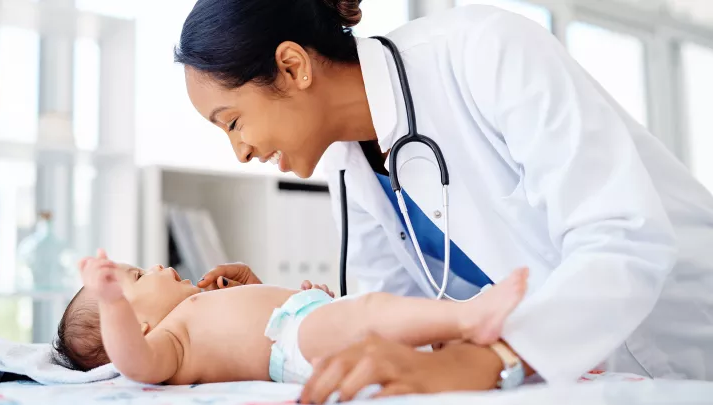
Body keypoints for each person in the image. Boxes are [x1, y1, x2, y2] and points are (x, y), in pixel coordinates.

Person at [174, 0, 713, 401]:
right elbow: (398, 315)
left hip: (680, 336)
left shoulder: (483, 52)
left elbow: (624, 236)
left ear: (293, 67)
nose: (240, 152)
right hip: (577, 376)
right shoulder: (347, 164)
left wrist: (493, 359)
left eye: (233, 122)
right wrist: (269, 308)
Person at [54, 249, 527, 386]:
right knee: (369, 312)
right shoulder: (167, 347)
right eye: (138, 276)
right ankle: (467, 317)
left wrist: (309, 301)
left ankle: (458, 336)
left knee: (371, 312)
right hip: (293, 343)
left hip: (306, 324)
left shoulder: (195, 308)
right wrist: (112, 302)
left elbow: (255, 315)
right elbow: (132, 362)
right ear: (138, 327)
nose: (156, 267)